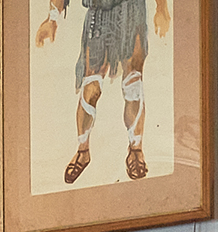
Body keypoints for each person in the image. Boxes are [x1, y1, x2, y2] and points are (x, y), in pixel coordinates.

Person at [34, 0, 171, 186]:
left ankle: (136, 150)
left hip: (132, 10)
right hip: (98, 14)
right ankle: (83, 151)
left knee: (133, 84)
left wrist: (161, 8)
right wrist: (52, 18)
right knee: (91, 87)